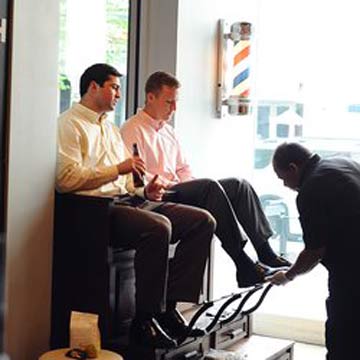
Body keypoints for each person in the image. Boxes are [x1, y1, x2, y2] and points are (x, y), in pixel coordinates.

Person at [56, 63, 216, 349]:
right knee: (159, 227)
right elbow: (66, 179)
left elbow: (128, 183)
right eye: (114, 87)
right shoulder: (69, 124)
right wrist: (118, 169)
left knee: (202, 221)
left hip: (128, 200)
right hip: (96, 211)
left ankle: (168, 308)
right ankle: (145, 321)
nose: (119, 93)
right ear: (93, 87)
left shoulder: (110, 127)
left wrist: (145, 189)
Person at [120, 71, 290, 288]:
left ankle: (265, 252)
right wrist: (186, 187)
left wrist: (191, 186)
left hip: (179, 188)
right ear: (150, 97)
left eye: (176, 102)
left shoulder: (168, 132)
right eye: (169, 102)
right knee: (209, 186)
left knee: (239, 185)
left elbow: (183, 167)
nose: (174, 108)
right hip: (158, 195)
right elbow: (137, 177)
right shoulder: (132, 129)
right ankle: (243, 262)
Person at [269, 142, 360, 359]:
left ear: (293, 168)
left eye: (283, 178)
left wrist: (288, 276)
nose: (285, 185)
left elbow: (314, 252)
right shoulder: (344, 162)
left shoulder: (310, 190)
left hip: (353, 271)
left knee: (343, 337)